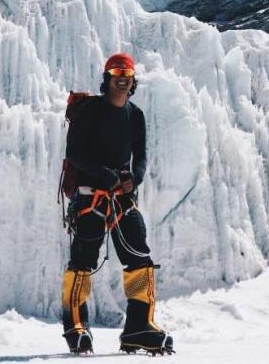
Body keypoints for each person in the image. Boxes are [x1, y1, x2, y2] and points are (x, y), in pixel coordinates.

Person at [60, 52, 174, 355]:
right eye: (116, 73)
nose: (122, 78)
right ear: (108, 79)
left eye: (127, 74)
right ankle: (75, 326)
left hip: (122, 196)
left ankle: (139, 327)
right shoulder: (90, 111)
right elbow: (74, 152)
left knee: (139, 256)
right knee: (83, 259)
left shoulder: (135, 115)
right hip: (90, 195)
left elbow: (141, 156)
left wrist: (133, 178)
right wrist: (106, 175)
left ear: (133, 80)